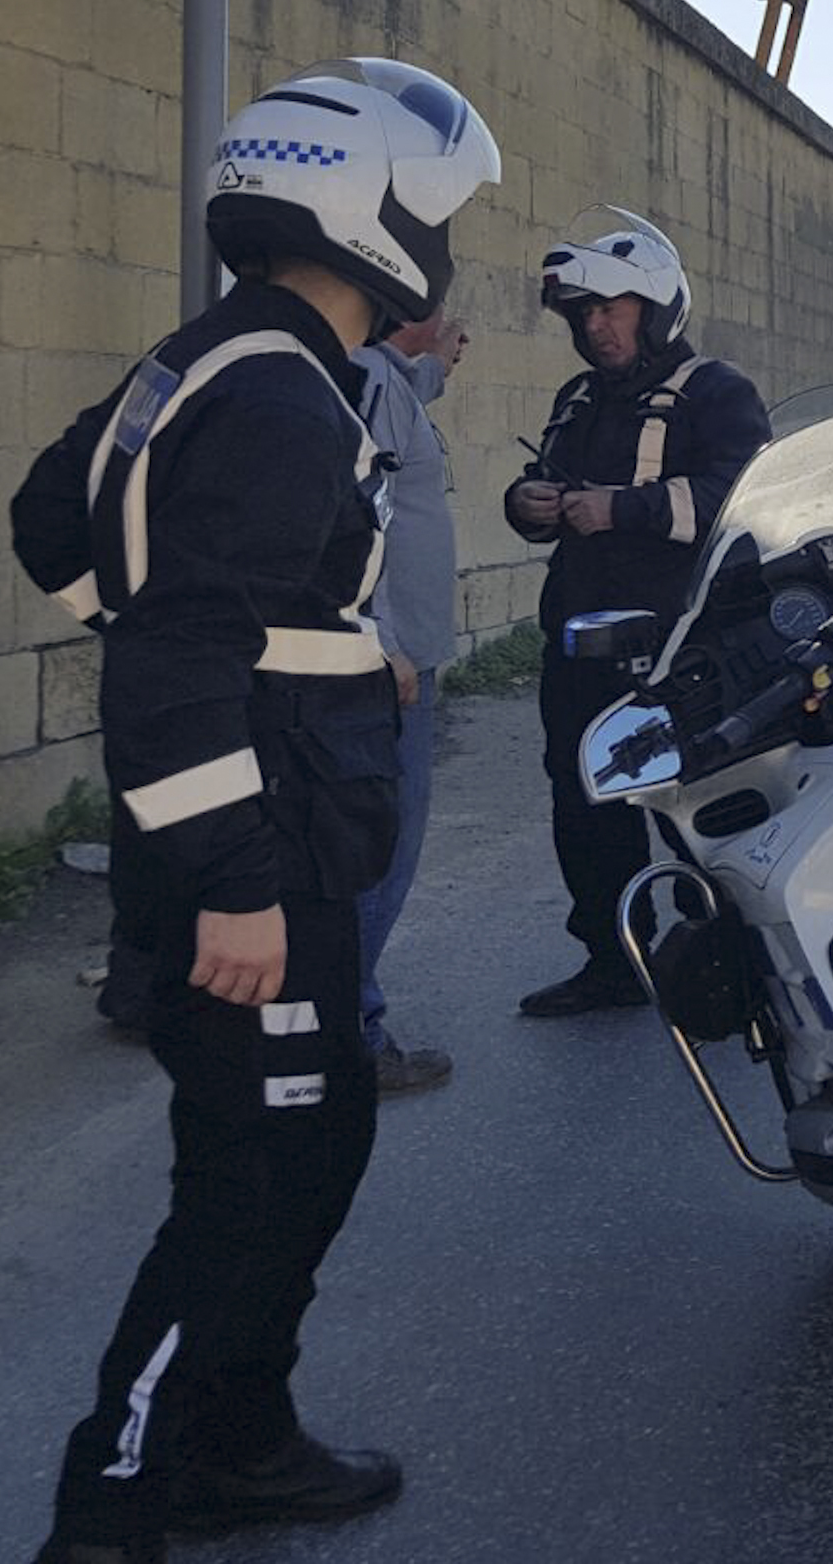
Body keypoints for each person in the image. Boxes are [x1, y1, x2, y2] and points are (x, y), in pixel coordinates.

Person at [9, 57, 500, 1564]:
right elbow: (172, 649)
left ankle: (242, 1435)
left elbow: (54, 521)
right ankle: (115, 1504)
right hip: (256, 855)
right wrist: (228, 875)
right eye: (444, 215)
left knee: (318, 1134)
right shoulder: (284, 393)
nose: (452, 244)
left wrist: (176, 614)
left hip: (271, 832)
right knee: (245, 1187)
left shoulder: (216, 354)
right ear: (376, 215)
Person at [505, 207, 769, 1017]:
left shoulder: (716, 392)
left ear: (653, 307)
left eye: (610, 308)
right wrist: (528, 502)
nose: (596, 326)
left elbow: (744, 497)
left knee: (697, 804)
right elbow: (541, 491)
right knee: (581, 804)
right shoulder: (578, 398)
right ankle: (614, 960)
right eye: (583, 313)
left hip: (683, 646)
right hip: (579, 646)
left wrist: (621, 509)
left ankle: (735, 961)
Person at [350, 307, 469, 1096]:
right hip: (388, 664)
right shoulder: (365, 378)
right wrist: (381, 636)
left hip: (402, 655)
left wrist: (439, 367)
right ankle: (351, 1035)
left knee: (378, 848)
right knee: (381, 854)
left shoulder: (387, 377)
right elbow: (361, 505)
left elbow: (400, 407)